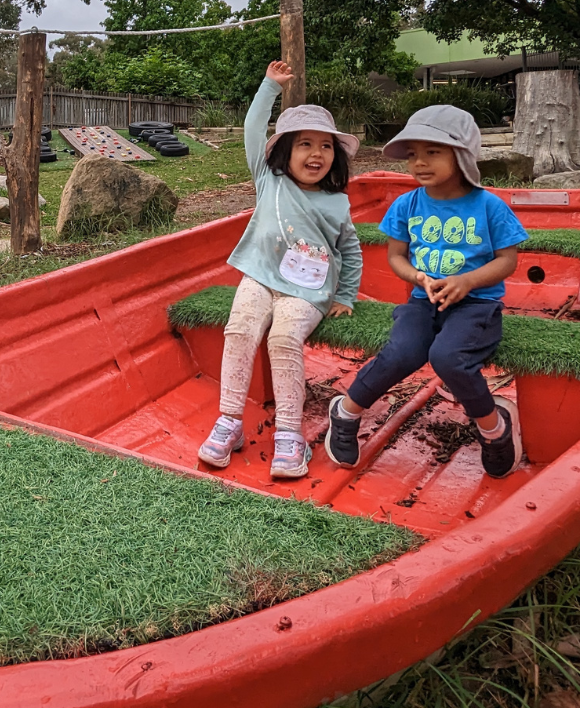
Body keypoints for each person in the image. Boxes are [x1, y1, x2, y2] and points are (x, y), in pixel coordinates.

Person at [323, 104, 529, 479]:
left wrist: (467, 281)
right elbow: (397, 257)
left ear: (463, 155)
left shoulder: (489, 206)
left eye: (433, 152)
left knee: (448, 357)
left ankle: (495, 428)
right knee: (402, 351)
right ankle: (346, 411)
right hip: (422, 300)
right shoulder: (407, 204)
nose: (419, 162)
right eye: (413, 154)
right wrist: (418, 277)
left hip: (475, 305)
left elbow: (507, 261)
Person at [198, 61, 362, 479]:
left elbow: (351, 251)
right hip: (259, 276)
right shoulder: (269, 181)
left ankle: (290, 433)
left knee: (284, 338)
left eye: (326, 146)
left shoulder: (336, 202)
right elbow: (254, 129)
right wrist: (270, 86)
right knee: (239, 331)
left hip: (307, 290)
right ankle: (229, 420)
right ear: (284, 152)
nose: (317, 154)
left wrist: (344, 296)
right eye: (305, 144)